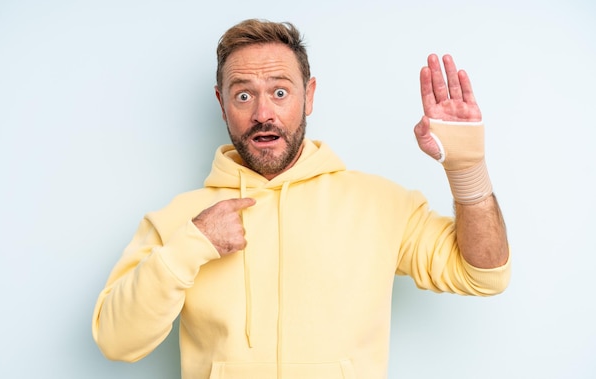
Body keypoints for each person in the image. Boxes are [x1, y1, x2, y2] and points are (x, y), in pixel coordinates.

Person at [92, 18, 510, 379]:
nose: (262, 114)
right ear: (221, 104)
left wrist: (466, 168)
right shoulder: (178, 220)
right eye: (243, 95)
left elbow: (484, 275)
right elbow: (116, 341)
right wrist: (192, 245)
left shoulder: (381, 205)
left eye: (279, 92)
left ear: (308, 95)